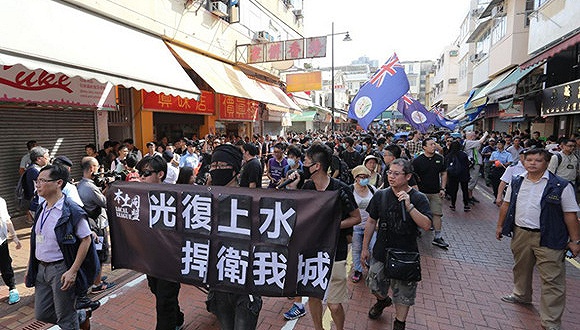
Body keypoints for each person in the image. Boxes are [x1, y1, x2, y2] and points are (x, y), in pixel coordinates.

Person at [496, 148, 580, 330]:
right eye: (529, 160)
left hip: (550, 237)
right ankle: (521, 295)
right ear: (524, 162)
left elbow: (570, 215)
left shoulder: (561, 186)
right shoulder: (517, 181)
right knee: (521, 268)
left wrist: (575, 241)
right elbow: (507, 204)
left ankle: (550, 321)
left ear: (547, 163)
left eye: (538, 160)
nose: (532, 163)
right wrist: (500, 226)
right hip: (521, 234)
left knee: (552, 280)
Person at [286, 142, 361, 330]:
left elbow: (356, 218)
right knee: (313, 295)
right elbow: (296, 213)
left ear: (316, 166)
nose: (303, 164)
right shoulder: (308, 187)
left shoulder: (341, 189)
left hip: (337, 251)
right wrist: (294, 188)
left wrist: (332, 226)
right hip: (312, 252)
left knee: (334, 304)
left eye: (306, 161)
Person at [362, 158, 432, 330]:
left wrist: (409, 207)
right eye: (389, 172)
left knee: (403, 294)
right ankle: (382, 301)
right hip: (381, 251)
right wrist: (364, 248)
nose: (391, 177)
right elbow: (371, 222)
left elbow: (426, 225)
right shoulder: (381, 195)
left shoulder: (419, 198)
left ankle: (399, 323)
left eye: (396, 173)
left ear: (408, 176)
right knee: (374, 285)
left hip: (406, 254)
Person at [25, 164, 96, 329]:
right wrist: (31, 265)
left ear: (58, 183)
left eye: (43, 180)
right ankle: (80, 315)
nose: (38, 184)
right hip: (41, 269)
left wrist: (73, 270)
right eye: (37, 180)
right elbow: (37, 239)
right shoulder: (42, 207)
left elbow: (86, 240)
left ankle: (73, 320)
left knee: (65, 318)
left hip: (60, 269)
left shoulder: (72, 210)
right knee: (42, 313)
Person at [205, 144, 263, 329]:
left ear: (235, 170)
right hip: (219, 285)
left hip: (246, 286)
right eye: (213, 166)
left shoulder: (252, 201)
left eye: (222, 166)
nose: (217, 170)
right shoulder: (203, 202)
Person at [137, 155, 184, 330]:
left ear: (161, 174)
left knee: (164, 299)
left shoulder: (174, 197)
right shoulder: (138, 195)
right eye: (140, 173)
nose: (141, 177)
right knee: (157, 290)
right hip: (150, 258)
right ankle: (177, 317)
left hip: (170, 258)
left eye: (146, 173)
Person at [77, 157, 115, 294]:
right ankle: (97, 284)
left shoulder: (81, 184)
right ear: (92, 168)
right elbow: (105, 202)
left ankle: (95, 278)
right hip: (97, 225)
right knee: (100, 254)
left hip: (89, 223)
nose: (99, 170)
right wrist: (110, 187)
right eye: (97, 167)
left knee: (96, 253)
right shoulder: (90, 187)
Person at [412, 139, 448, 248]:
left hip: (435, 192)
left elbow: (444, 173)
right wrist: (416, 189)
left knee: (437, 214)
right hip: (421, 192)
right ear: (424, 147)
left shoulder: (439, 159)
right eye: (431, 144)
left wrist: (442, 188)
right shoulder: (417, 160)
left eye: (434, 144)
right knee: (418, 213)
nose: (434, 146)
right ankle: (416, 230)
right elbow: (412, 175)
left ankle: (437, 236)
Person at [349, 165, 376, 283]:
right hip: (355, 226)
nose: (364, 179)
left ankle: (371, 267)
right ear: (356, 177)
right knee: (356, 249)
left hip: (371, 226)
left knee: (372, 247)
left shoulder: (373, 190)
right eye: (362, 177)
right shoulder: (350, 190)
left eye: (366, 177)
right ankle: (357, 270)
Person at [0, 196, 21, 305]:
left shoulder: (1, 201)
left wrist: (14, 236)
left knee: (5, 265)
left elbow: (7, 220)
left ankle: (12, 288)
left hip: (0, 240)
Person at [445, 141, 471, 212]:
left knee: (454, 190)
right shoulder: (463, 155)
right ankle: (466, 204)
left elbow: (446, 167)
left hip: (453, 175)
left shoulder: (449, 155)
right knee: (465, 190)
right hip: (463, 174)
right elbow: (467, 165)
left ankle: (453, 204)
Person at [464, 131, 489, 204]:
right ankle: (468, 197)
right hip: (473, 165)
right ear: (471, 136)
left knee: (473, 180)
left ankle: (470, 196)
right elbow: (480, 141)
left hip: (474, 164)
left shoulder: (469, 143)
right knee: (472, 180)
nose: (475, 137)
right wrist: (485, 135)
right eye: (474, 136)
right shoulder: (468, 142)